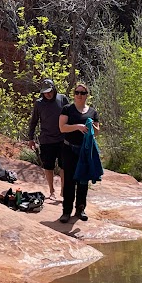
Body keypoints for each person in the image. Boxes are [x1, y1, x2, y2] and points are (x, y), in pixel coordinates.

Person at [58, 81, 99, 224]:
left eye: (82, 93)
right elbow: (62, 128)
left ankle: (80, 209)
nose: (79, 95)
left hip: (85, 150)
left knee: (83, 180)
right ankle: (66, 211)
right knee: (69, 180)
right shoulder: (67, 109)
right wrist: (77, 127)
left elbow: (97, 132)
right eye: (77, 93)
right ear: (74, 95)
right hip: (69, 149)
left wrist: (92, 126)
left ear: (87, 95)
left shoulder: (92, 112)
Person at [27, 78, 69, 199]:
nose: (48, 94)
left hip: (63, 139)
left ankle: (64, 190)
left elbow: (70, 116)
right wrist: (31, 138)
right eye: (45, 92)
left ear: (54, 89)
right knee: (48, 166)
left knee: (64, 166)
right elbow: (33, 121)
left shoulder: (62, 99)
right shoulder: (39, 103)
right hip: (46, 140)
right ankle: (52, 191)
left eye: (50, 91)